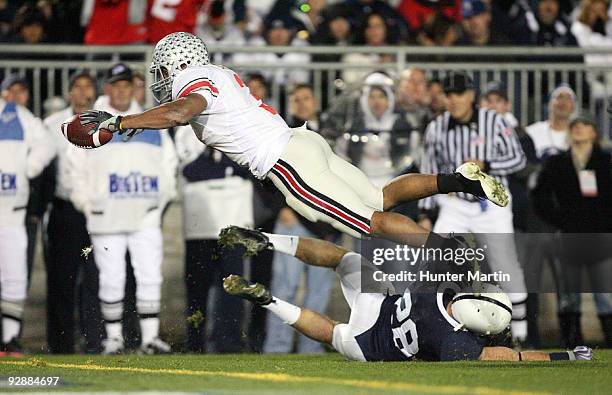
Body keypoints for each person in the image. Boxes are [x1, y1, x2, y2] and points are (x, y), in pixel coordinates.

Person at [79, 32, 509, 252]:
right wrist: (131, 121)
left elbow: (180, 111)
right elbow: (180, 112)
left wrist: (118, 122)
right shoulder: (219, 74)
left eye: (162, 69)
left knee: (370, 224)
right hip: (303, 143)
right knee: (380, 197)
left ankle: (447, 251)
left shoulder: (193, 80)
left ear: (178, 63)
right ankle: (458, 180)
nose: (160, 79)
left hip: (285, 162)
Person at [219, 225, 593, 363]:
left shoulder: (441, 289)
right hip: (369, 346)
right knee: (332, 332)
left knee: (343, 257)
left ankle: (268, 240)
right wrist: (566, 356)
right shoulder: (456, 343)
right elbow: (515, 357)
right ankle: (270, 301)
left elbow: (448, 258)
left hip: (378, 302)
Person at [67, 63, 177, 355]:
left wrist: (160, 202)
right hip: (106, 216)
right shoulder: (90, 123)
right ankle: (113, 339)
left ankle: (150, 338)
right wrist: (87, 203)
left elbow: (169, 166)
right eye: (116, 85)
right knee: (111, 277)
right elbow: (73, 169)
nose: (121, 90)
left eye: (126, 85)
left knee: (150, 273)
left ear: (133, 88)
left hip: (145, 214)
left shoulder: (151, 122)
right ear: (107, 88)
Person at [418, 71, 528, 343]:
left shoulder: (494, 121)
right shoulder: (437, 126)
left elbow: (519, 159)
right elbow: (428, 171)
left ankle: (522, 331)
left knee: (504, 263)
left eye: (459, 94)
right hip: (455, 203)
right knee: (435, 259)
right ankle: (429, 323)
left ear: (471, 95)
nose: (453, 100)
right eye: (448, 95)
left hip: (492, 204)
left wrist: (487, 165)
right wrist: (425, 212)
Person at [263, 84, 338, 354]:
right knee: (285, 289)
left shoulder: (334, 133)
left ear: (316, 101)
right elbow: (265, 171)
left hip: (326, 224)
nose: (303, 104)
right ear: (292, 105)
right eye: (298, 100)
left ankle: (312, 348)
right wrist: (279, 208)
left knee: (318, 291)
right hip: (293, 219)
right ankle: (276, 347)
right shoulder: (283, 132)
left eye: (307, 98)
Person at [532, 113, 612, 348]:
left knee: (605, 293)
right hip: (568, 235)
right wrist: (558, 220)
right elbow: (540, 196)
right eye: (575, 125)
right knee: (569, 294)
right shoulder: (558, 162)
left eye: (585, 124)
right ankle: (572, 342)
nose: (578, 128)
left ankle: (609, 342)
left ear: (594, 132)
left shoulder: (605, 162)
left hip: (600, 236)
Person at [174, 124, 253, 353]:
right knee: (196, 291)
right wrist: (225, 167)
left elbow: (248, 168)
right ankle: (195, 344)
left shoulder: (237, 129)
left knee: (233, 291)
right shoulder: (184, 133)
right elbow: (190, 170)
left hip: (234, 225)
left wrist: (216, 164)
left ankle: (229, 344)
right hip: (199, 226)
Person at [42, 72, 102, 354]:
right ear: (69, 93)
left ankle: (95, 341)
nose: (82, 93)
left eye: (87, 87)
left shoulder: (106, 122)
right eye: (77, 87)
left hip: (100, 213)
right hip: (65, 212)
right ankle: (61, 345)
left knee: (97, 279)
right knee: (61, 280)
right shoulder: (51, 125)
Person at [0, 95, 55, 354]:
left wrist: (29, 168)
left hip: (12, 212)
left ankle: (10, 338)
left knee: (15, 276)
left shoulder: (17, 114)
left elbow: (47, 144)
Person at [523, 84, 576, 347]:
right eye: (558, 97)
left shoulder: (578, 135)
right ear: (549, 103)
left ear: (575, 106)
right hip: (537, 211)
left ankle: (571, 338)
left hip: (566, 213)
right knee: (531, 275)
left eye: (568, 98)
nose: (563, 102)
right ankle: (531, 337)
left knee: (567, 280)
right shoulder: (534, 132)